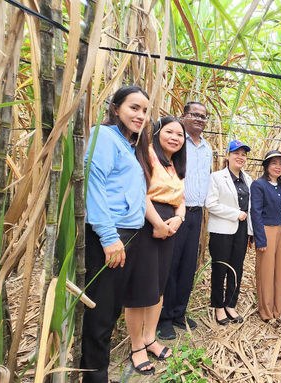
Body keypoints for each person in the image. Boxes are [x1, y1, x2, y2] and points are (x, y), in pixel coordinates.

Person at [81, 85, 152, 381]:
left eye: (145, 111)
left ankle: (99, 369)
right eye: (134, 108)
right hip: (111, 235)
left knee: (111, 309)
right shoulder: (105, 138)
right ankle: (95, 375)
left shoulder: (128, 145)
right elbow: (93, 184)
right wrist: (109, 238)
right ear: (116, 108)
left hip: (129, 235)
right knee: (101, 310)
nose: (140, 115)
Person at [127, 116, 187, 373]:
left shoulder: (174, 165)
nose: (175, 138)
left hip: (169, 226)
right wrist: (159, 224)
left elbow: (181, 199)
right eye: (170, 132)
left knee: (158, 286)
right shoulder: (147, 155)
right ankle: (136, 345)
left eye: (180, 135)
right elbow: (141, 192)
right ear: (157, 132)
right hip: (145, 225)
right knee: (140, 288)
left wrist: (178, 219)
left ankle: (150, 337)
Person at [158, 102, 212, 340]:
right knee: (170, 264)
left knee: (188, 264)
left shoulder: (207, 148)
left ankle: (179, 312)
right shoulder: (177, 144)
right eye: (195, 115)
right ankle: (163, 317)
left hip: (196, 213)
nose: (200, 119)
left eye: (204, 116)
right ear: (183, 117)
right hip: (173, 212)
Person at [204, 140, 254, 325]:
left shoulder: (248, 179)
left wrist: (251, 231)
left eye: (243, 154)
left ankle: (230, 304)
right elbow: (210, 204)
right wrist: (236, 214)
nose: (240, 157)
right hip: (221, 230)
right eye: (236, 153)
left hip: (241, 231)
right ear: (228, 155)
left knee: (236, 268)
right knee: (220, 268)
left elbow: (251, 208)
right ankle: (218, 307)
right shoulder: (217, 177)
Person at [250, 150, 281, 322]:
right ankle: (266, 312)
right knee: (266, 272)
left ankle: (278, 310)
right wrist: (260, 238)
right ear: (266, 166)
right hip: (266, 230)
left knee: (280, 271)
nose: (278, 167)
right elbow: (256, 213)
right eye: (274, 163)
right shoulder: (259, 185)